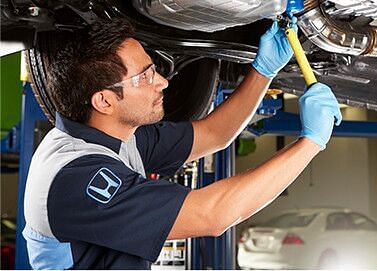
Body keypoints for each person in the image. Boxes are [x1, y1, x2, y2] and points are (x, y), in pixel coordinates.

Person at [23, 19, 342, 269]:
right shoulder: (75, 179)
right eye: (144, 77)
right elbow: (213, 216)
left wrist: (263, 70)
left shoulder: (113, 135)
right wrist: (310, 143)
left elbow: (214, 134)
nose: (162, 81)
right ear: (105, 100)